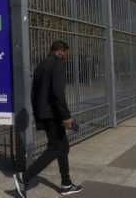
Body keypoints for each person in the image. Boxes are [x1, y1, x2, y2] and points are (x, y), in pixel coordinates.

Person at [13, 40, 83, 197]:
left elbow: (34, 93)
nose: (65, 57)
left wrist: (39, 115)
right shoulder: (56, 63)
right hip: (54, 114)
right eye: (65, 53)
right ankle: (23, 178)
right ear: (60, 51)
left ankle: (66, 184)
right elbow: (58, 93)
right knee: (55, 148)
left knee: (63, 147)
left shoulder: (40, 66)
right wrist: (66, 116)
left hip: (45, 114)